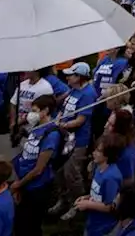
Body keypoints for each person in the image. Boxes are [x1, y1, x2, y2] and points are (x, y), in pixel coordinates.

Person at [50, 62, 100, 219]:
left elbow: (80, 120)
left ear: (79, 77)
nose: (67, 77)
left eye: (71, 75)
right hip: (64, 138)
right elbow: (64, 109)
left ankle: (77, 204)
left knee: (72, 173)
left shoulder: (88, 94)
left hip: (78, 141)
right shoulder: (73, 90)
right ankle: (63, 199)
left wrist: (63, 124)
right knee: (59, 172)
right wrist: (59, 119)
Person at [11, 93, 59, 236]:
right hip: (24, 183)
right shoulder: (36, 127)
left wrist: (19, 184)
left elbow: (39, 169)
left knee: (30, 226)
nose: (31, 114)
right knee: (20, 224)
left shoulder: (51, 134)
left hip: (37, 188)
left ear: (45, 111)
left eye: (35, 111)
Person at [75, 133, 124, 236]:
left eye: (98, 151)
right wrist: (86, 198)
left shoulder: (111, 177)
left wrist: (88, 204)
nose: (94, 153)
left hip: (104, 228)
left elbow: (110, 206)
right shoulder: (99, 167)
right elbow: (99, 194)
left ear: (108, 154)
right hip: (93, 223)